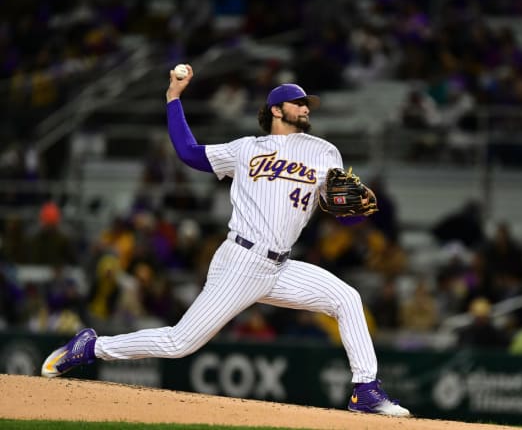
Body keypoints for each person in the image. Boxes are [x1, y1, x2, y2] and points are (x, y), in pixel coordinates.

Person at [41, 66, 410, 417]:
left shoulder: (324, 151)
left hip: (280, 266)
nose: (305, 107)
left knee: (347, 298)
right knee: (179, 343)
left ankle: (366, 390)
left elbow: (339, 206)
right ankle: (90, 347)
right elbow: (188, 152)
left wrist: (359, 212)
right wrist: (173, 98)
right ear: (276, 110)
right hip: (241, 260)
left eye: (307, 103)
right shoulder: (245, 148)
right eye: (298, 102)